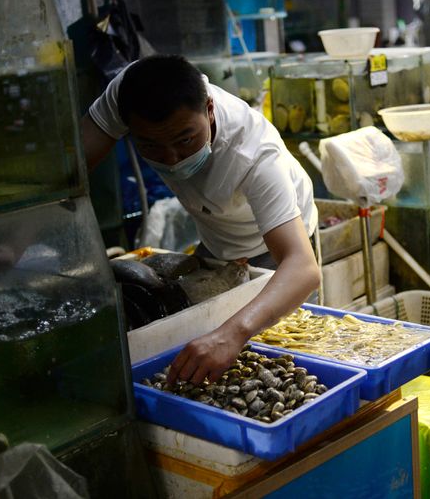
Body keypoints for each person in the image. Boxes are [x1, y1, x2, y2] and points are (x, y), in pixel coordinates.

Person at [81, 55, 320, 386]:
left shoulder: (255, 155)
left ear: (209, 109)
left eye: (184, 140)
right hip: (215, 235)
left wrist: (230, 335)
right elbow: (70, 174)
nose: (172, 159)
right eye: (150, 146)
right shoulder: (128, 92)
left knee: (284, 357)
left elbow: (302, 268)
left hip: (275, 242)